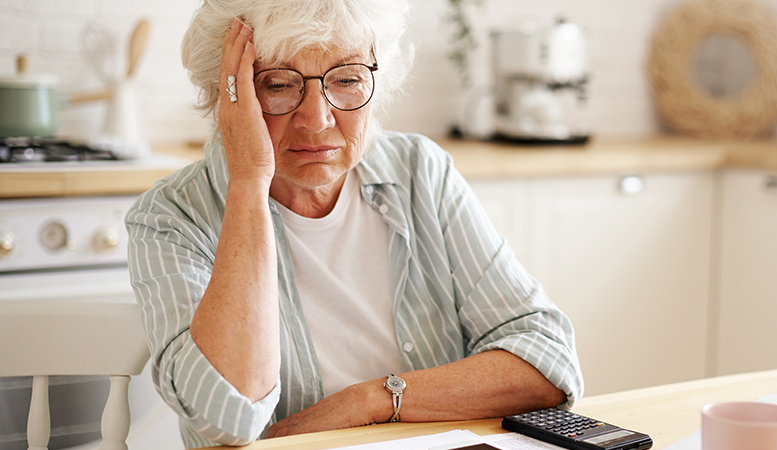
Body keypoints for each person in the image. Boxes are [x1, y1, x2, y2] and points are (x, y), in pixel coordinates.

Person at [124, 0, 584, 447]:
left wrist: (372, 399)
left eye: (346, 79)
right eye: (279, 85)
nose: (318, 118)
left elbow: (547, 362)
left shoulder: (419, 170)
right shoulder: (170, 217)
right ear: (226, 92)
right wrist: (247, 181)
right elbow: (228, 418)